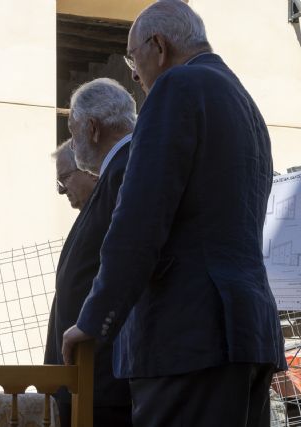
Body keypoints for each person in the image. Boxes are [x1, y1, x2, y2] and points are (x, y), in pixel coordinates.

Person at [61, 2, 286, 426]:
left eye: (133, 57)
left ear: (158, 47)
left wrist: (93, 319)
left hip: (187, 340)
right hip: (249, 336)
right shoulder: (244, 103)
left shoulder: (175, 88)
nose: (133, 73)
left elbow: (138, 222)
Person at [45, 78, 135, 427]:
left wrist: (91, 323)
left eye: (64, 178)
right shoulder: (114, 179)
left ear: (92, 128)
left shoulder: (122, 173)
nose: (61, 190)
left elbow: (127, 256)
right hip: (83, 377)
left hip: (102, 379)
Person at [53, 138, 98, 211]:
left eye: (65, 178)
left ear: (91, 172)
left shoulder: (115, 212)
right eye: (59, 182)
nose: (61, 190)